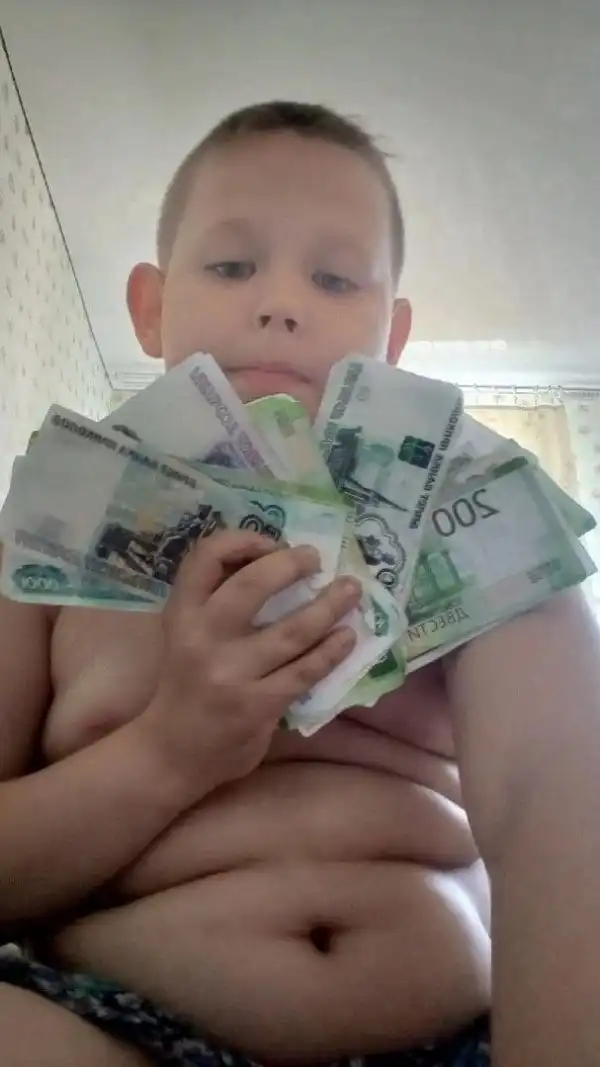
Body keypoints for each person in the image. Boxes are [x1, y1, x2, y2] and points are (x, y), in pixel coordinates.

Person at [0, 101, 598, 1067]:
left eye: (334, 278)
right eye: (233, 266)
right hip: (106, 1029)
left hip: (451, 1035)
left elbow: (558, 811)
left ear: (391, 333)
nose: (281, 303)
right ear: (151, 306)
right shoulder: (44, 550)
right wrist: (172, 750)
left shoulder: (473, 518)